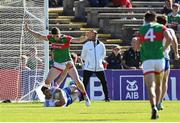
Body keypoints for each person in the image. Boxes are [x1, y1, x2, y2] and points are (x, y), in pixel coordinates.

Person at [25, 24, 91, 107]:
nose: (56, 38)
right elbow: (39, 36)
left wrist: (85, 37)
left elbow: (77, 40)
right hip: (57, 63)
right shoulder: (51, 38)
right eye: (55, 36)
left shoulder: (65, 38)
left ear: (60, 34)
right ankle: (49, 99)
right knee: (47, 82)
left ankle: (85, 96)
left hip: (67, 62)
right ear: (52, 35)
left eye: (57, 36)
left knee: (77, 81)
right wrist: (29, 30)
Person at [135, 11, 173, 119]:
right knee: (159, 85)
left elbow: (137, 46)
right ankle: (157, 104)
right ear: (155, 18)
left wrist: (143, 47)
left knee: (150, 86)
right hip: (159, 59)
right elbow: (169, 38)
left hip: (147, 60)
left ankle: (153, 107)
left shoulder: (142, 29)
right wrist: (163, 49)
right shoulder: (161, 27)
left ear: (145, 19)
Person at [156, 15, 179, 110]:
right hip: (165, 57)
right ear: (166, 22)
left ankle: (156, 102)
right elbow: (174, 41)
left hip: (154, 57)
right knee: (164, 81)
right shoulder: (169, 31)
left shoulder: (154, 30)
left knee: (157, 82)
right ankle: (160, 102)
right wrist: (176, 53)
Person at [81, 30, 110, 102]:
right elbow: (83, 56)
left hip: (99, 67)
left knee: (104, 82)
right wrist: (88, 62)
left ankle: (107, 98)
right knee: (84, 83)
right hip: (88, 67)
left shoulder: (101, 45)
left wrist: (99, 61)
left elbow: (103, 55)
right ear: (90, 36)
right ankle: (82, 98)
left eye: (95, 34)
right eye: (93, 34)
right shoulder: (86, 45)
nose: (94, 36)